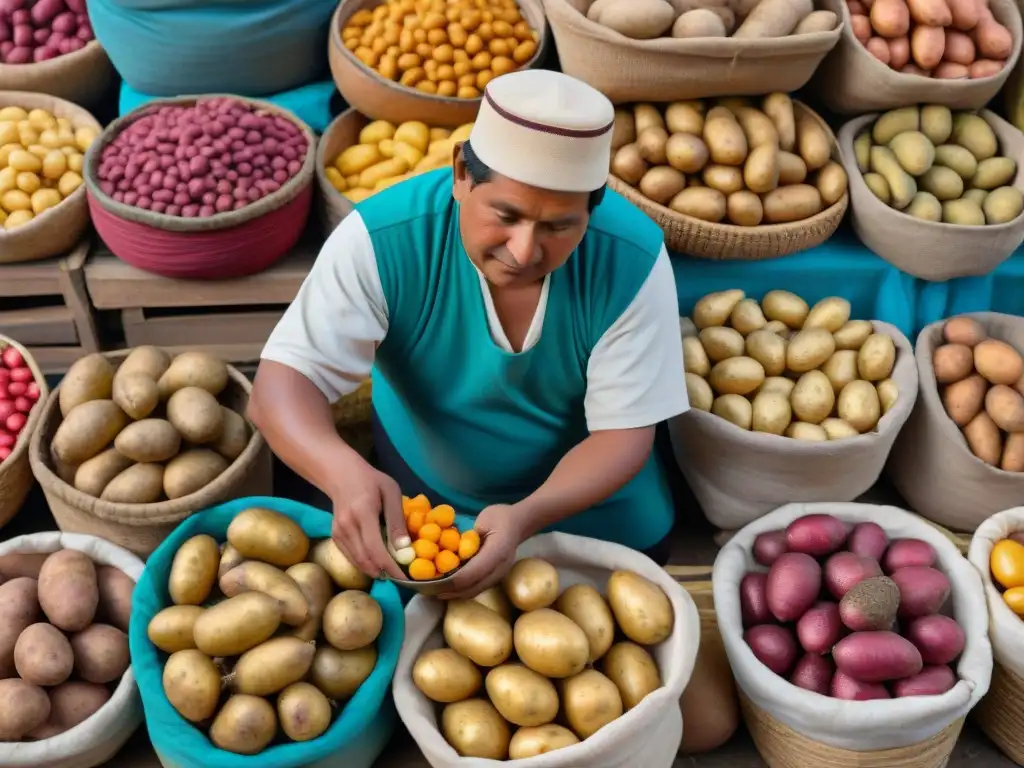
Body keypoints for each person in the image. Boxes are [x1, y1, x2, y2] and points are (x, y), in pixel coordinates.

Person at [249, 69, 689, 599]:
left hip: (590, 502)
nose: (524, 251)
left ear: (593, 207)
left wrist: (527, 517)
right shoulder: (383, 239)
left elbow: (623, 436)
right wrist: (340, 471)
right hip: (430, 488)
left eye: (559, 227)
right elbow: (282, 383)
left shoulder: (631, 260)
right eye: (506, 215)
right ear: (461, 173)